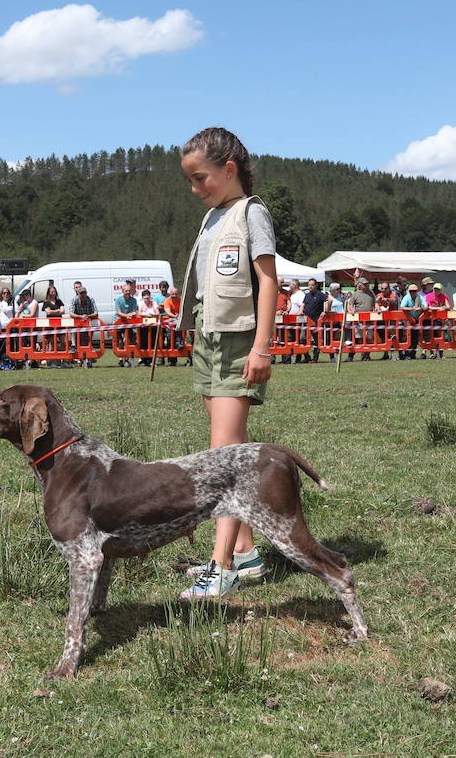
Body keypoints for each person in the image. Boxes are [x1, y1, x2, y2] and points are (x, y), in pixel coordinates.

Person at [177, 127, 278, 599]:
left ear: (229, 169)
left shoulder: (251, 214)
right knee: (229, 445)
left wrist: (262, 348)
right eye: (191, 181)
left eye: (201, 179)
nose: (196, 190)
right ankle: (246, 553)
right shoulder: (212, 217)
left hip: (239, 344)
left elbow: (268, 283)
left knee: (222, 457)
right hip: (208, 339)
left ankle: (218, 567)